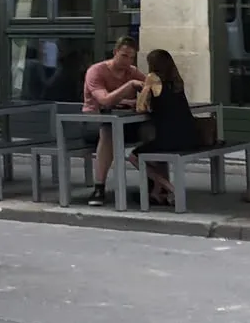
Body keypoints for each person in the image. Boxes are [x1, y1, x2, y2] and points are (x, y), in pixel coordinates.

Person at [135, 48, 203, 207]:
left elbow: (140, 107)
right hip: (189, 135)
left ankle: (171, 188)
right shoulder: (177, 81)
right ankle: (156, 192)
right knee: (154, 154)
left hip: (170, 139)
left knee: (134, 156)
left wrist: (146, 86)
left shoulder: (153, 79)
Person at [81, 37, 145, 206]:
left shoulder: (132, 71)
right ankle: (99, 187)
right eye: (124, 56)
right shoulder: (96, 71)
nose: (128, 61)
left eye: (132, 57)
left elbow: (149, 87)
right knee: (108, 130)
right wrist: (129, 86)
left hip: (124, 120)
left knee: (152, 129)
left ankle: (157, 185)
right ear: (115, 52)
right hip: (93, 121)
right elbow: (104, 101)